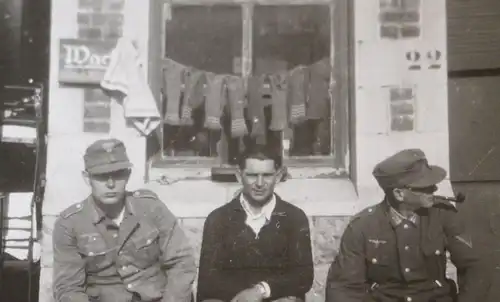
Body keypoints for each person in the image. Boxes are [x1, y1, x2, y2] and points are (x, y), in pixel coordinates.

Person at [52, 138, 196, 302]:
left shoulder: (150, 208)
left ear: (128, 175)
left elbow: (181, 262)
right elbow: (69, 288)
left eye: (118, 174)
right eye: (101, 176)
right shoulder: (70, 224)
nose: (111, 184)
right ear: (87, 178)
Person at [325, 149, 479, 302]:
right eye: (424, 187)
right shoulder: (363, 227)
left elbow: (475, 267)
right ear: (399, 194)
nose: (434, 189)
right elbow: (344, 287)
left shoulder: (444, 215)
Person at [196, 151, 314, 302]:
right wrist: (244, 296)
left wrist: (261, 290)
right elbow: (208, 280)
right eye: (252, 175)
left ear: (277, 177)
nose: (259, 183)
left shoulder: (294, 218)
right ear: (239, 176)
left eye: (267, 175)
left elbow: (303, 276)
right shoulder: (219, 219)